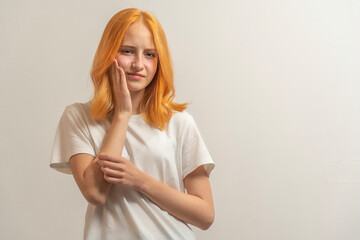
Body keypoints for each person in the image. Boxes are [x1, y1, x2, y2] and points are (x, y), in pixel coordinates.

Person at [50, 8, 215, 240]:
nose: (138, 64)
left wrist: (139, 180)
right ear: (108, 53)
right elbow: (95, 192)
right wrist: (122, 115)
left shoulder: (180, 123)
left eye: (150, 54)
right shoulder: (78, 117)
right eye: (128, 51)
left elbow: (205, 215)